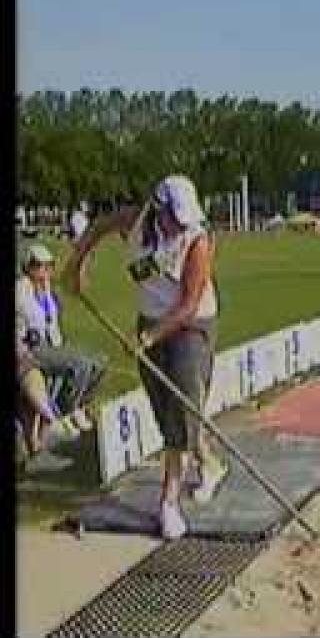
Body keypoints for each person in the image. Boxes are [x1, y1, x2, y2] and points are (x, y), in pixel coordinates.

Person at [67, 175, 224, 541]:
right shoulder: (135, 222)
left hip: (192, 325)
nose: (179, 226)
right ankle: (209, 463)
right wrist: (80, 263)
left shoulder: (196, 241)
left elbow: (188, 304)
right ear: (157, 209)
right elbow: (99, 228)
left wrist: (150, 337)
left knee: (182, 407)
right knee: (169, 412)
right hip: (150, 321)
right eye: (173, 218)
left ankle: (167, 506)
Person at [16, 243, 106, 434]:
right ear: (29, 267)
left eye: (49, 265)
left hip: (52, 345)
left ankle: (82, 404)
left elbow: (55, 315)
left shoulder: (46, 288)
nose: (46, 270)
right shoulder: (21, 292)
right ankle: (66, 412)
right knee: (80, 365)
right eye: (40, 265)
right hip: (33, 349)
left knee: (100, 361)